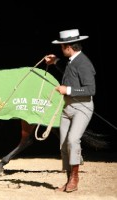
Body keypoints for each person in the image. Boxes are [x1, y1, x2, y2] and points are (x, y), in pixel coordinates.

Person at [44, 29, 96, 192]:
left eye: (62, 47)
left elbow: (91, 89)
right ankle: (68, 180)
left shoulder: (84, 63)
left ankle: (75, 178)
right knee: (64, 143)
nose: (61, 49)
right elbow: (70, 75)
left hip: (82, 107)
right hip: (68, 107)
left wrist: (67, 90)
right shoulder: (73, 60)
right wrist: (56, 62)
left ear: (68, 47)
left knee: (73, 140)